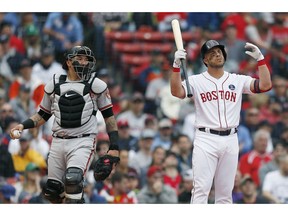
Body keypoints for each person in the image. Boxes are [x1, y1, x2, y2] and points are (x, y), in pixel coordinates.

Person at [9, 45, 119, 204]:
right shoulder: (54, 83)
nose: (84, 62)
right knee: (52, 191)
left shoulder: (96, 84)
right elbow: (42, 115)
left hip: (83, 140)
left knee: (73, 180)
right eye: (80, 58)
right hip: (58, 141)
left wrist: (114, 147)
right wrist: (22, 125)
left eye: (87, 59)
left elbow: (109, 117)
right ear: (68, 62)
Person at [170, 39, 272, 204]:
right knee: (201, 190)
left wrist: (260, 59)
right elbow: (176, 91)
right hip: (206, 138)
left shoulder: (237, 79)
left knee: (225, 194)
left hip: (231, 138)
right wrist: (176, 66)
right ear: (205, 60)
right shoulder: (196, 81)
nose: (217, 54)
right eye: (212, 53)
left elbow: (265, 85)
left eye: (219, 51)